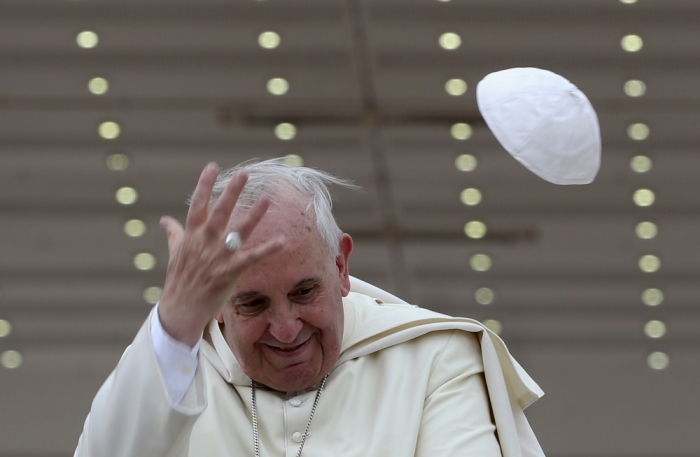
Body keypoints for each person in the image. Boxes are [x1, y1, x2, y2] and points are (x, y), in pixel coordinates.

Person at [74, 158, 545, 457]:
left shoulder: (436, 359)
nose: (284, 328)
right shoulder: (171, 375)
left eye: (304, 292)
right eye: (253, 303)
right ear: (216, 303)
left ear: (341, 265)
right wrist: (174, 327)